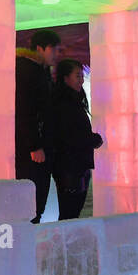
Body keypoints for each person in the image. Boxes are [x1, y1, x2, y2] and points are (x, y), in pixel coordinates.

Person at [45, 59, 103, 220]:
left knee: (72, 213)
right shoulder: (64, 104)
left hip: (76, 166)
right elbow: (69, 135)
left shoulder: (73, 101)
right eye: (77, 76)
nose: (81, 80)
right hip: (69, 167)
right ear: (65, 78)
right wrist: (93, 139)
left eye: (82, 76)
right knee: (69, 213)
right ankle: (64, 244)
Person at [16, 29, 61, 224]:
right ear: (40, 48)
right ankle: (26, 248)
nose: (56, 54)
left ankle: (30, 245)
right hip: (32, 151)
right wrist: (34, 145)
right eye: (54, 49)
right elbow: (26, 111)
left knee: (36, 203)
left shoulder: (38, 70)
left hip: (38, 148)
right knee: (32, 202)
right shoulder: (28, 70)